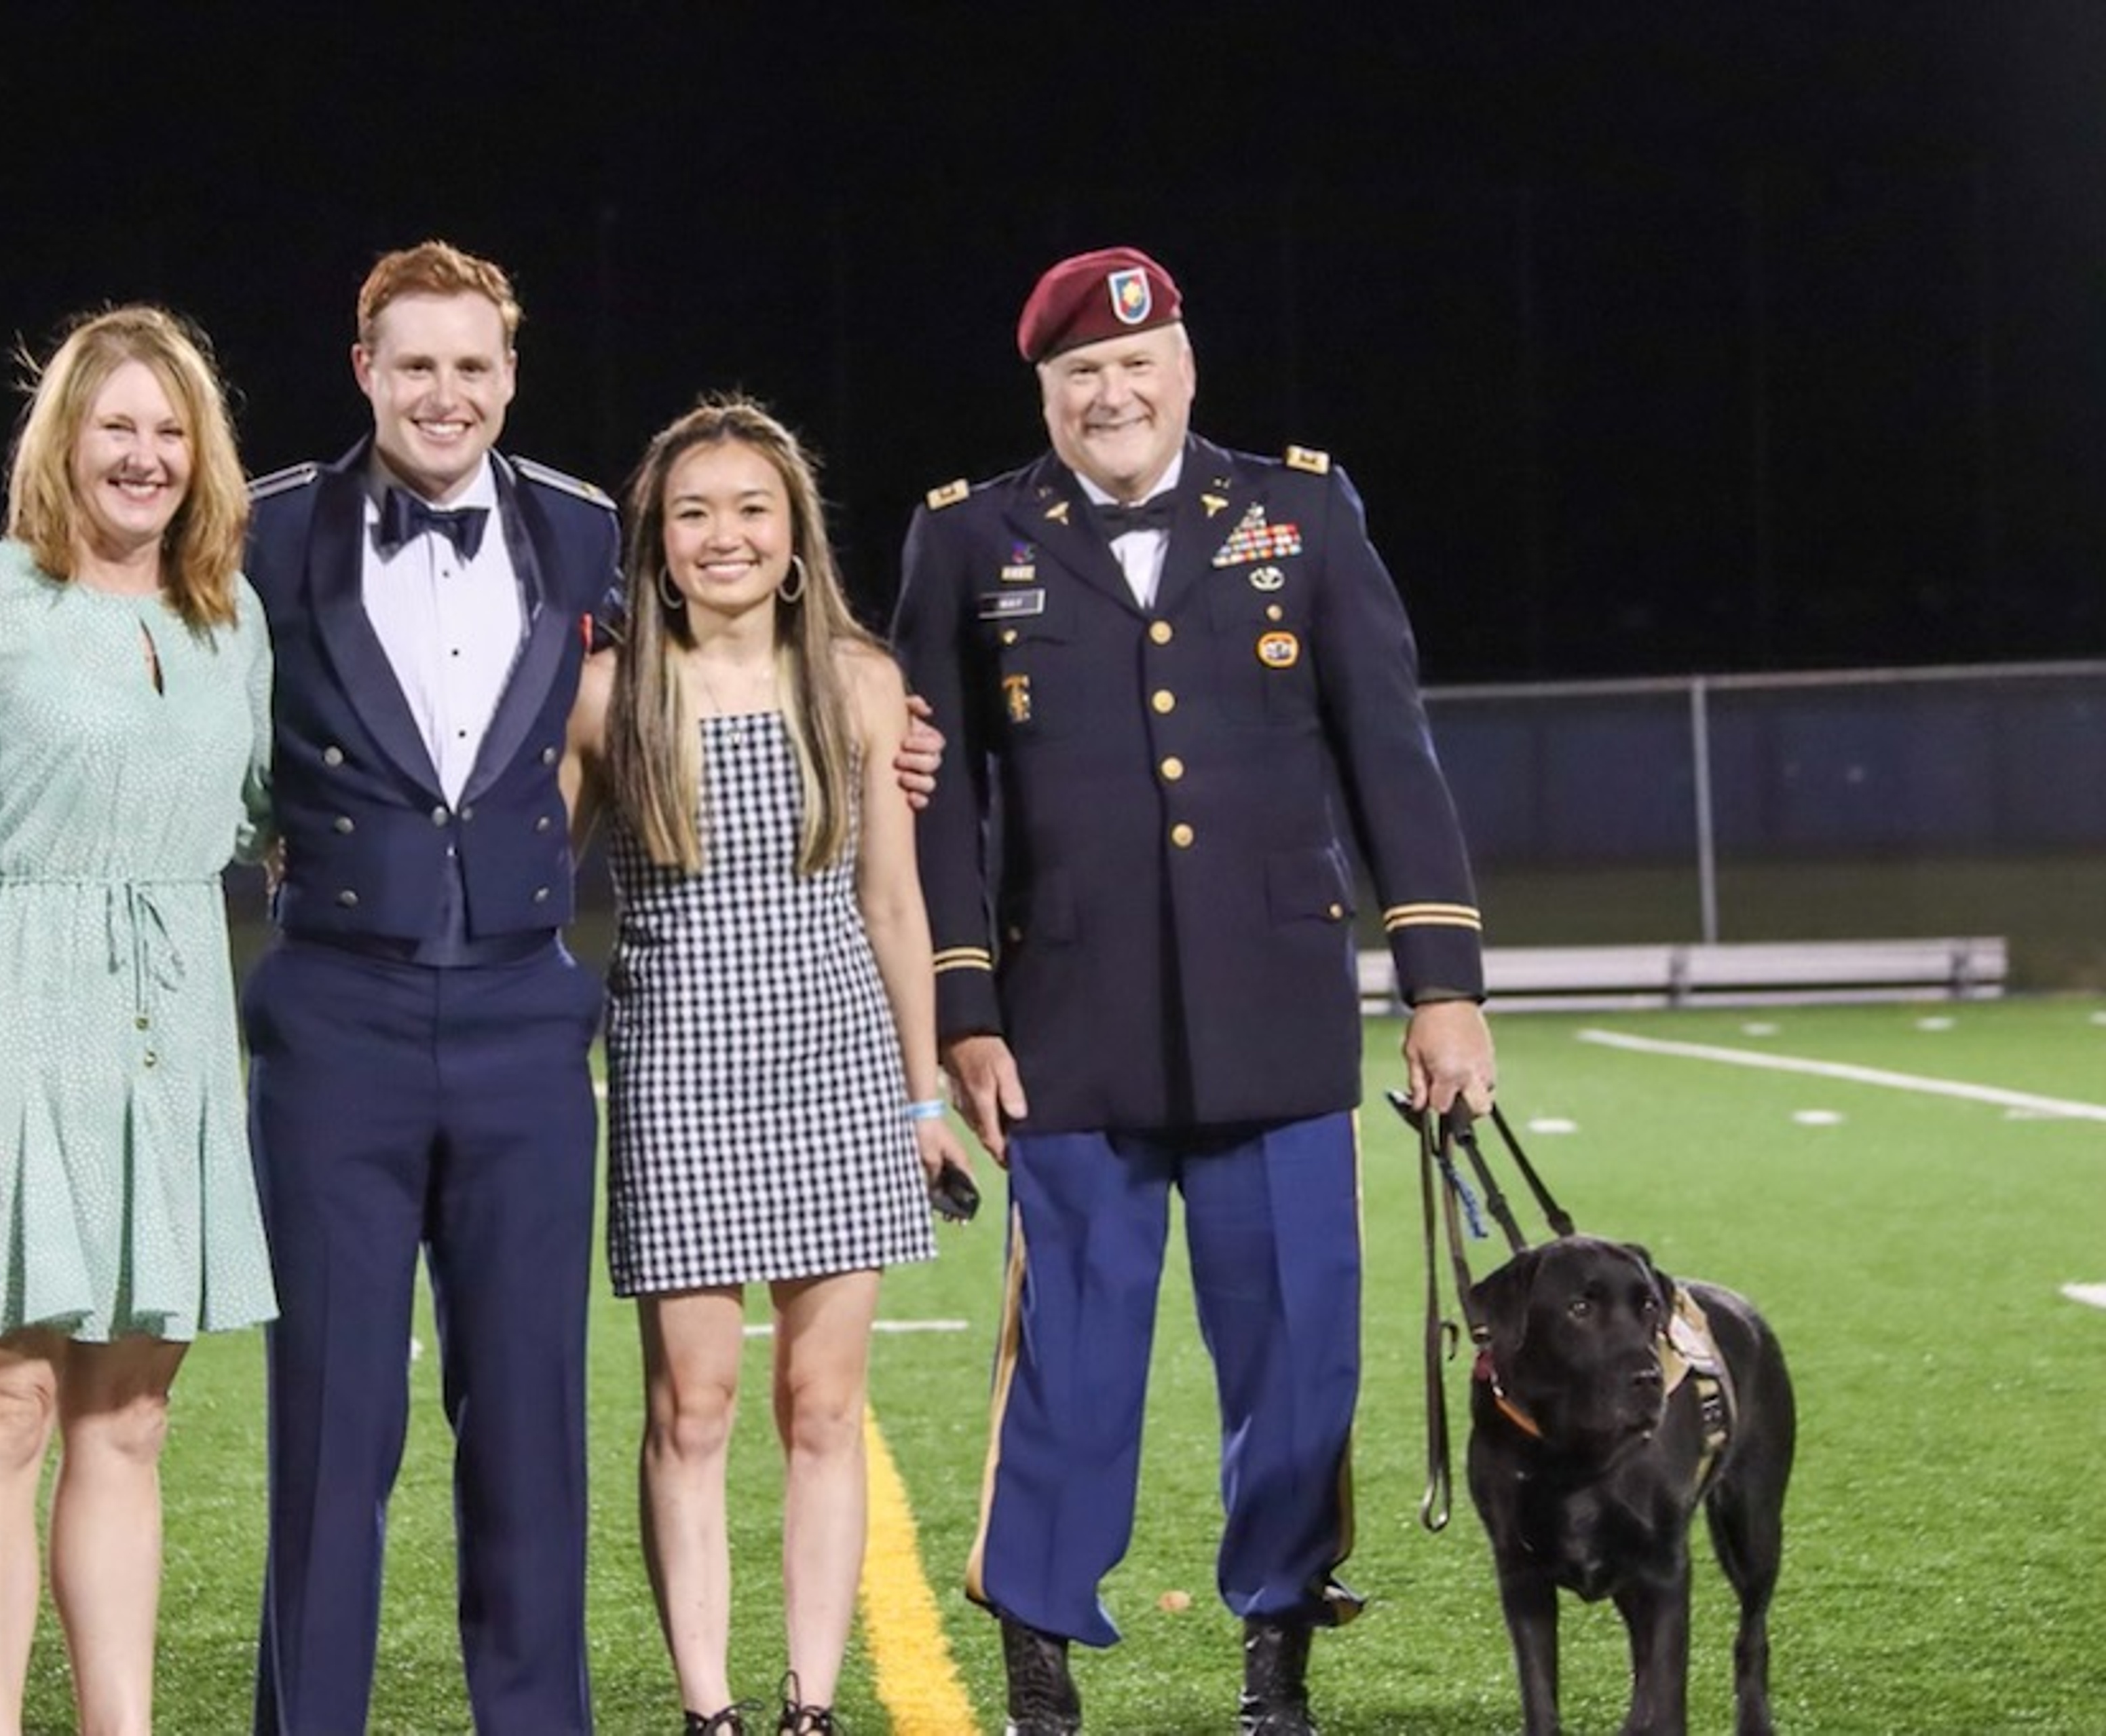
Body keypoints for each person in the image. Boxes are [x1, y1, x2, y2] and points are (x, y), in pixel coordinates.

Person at [889, 246, 1497, 1736]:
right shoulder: (967, 539)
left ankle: (1278, 1644)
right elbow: (930, 802)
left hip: (1281, 1011)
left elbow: (1390, 756)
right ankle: (1039, 1652)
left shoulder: (1300, 509)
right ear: (1046, 391)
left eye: (1137, 364)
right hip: (1067, 1029)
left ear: (1186, 369)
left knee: (1298, 1350)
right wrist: (966, 1008)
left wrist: (1445, 985)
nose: (1113, 391)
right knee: (1072, 1370)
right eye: (1079, 372)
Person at [0, 303, 277, 1736]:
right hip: (11, 1026)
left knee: (129, 1419)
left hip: (175, 1043)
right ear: (65, 443)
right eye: (119, 428)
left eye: (171, 431)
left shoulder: (233, 617)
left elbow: (282, 812)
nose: (145, 456)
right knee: (5, 1408)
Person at [236, 239, 616, 1735]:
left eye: (473, 365)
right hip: (336, 1019)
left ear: (509, 374)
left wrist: (877, 711)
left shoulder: (589, 531)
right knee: (334, 1424)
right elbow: (109, 605)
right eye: (415, 364)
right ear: (364, 372)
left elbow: (737, 641)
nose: (445, 393)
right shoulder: (264, 529)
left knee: (529, 1420)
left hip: (528, 1017)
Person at [561, 398, 975, 1736]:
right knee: (695, 1402)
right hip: (679, 1063)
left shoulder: (860, 681)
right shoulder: (609, 693)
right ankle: (709, 1706)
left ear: (795, 535)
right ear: (658, 541)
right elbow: (521, 889)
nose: (723, 535)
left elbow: (895, 905)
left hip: (839, 1059)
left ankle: (808, 1702)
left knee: (821, 1398)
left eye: (751, 509)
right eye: (694, 512)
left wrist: (923, 1096)